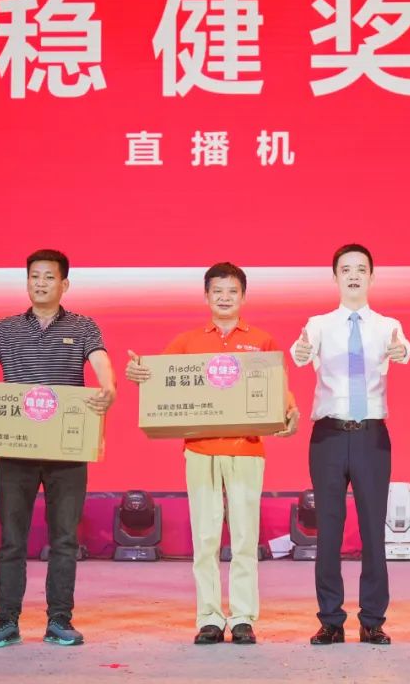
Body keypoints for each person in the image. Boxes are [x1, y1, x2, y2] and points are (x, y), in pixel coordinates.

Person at [0, 249, 115, 648]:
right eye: (34, 276)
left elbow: (101, 364)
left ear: (64, 284)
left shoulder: (84, 326)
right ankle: (6, 620)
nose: (40, 283)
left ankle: (60, 619)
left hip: (66, 452)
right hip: (16, 449)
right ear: (27, 282)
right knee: (12, 539)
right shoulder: (4, 329)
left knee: (64, 540)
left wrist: (108, 389)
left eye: (49, 277)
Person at [125, 262, 299, 645]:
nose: (224, 297)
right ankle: (208, 617)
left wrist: (290, 410)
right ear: (206, 296)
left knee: (244, 536)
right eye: (217, 291)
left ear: (243, 297)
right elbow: (159, 377)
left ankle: (242, 617)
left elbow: (279, 388)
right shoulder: (187, 342)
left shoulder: (262, 341)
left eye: (232, 291)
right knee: (205, 537)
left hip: (247, 449)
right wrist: (139, 373)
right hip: (200, 449)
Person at [290, 243, 410, 646]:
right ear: (336, 277)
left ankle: (373, 620)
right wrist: (301, 350)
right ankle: (331, 620)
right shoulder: (319, 324)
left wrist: (401, 350)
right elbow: (299, 352)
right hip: (328, 435)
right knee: (328, 530)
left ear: (372, 276)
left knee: (373, 530)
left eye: (361, 269)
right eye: (346, 269)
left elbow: (404, 350)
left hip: (371, 436)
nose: (354, 275)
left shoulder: (388, 325)